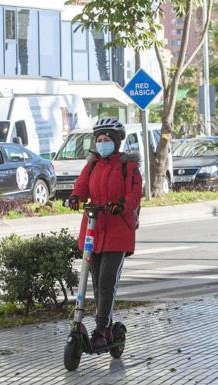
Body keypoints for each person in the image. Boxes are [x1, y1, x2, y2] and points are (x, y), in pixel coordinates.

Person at [68, 118, 142, 349]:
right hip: (93, 230)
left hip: (118, 231)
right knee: (96, 284)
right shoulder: (92, 165)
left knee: (107, 282)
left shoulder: (128, 166)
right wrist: (75, 197)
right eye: (99, 140)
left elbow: (134, 193)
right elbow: (81, 186)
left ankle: (102, 328)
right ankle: (101, 324)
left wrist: (121, 204)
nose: (102, 144)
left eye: (106, 140)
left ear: (117, 141)